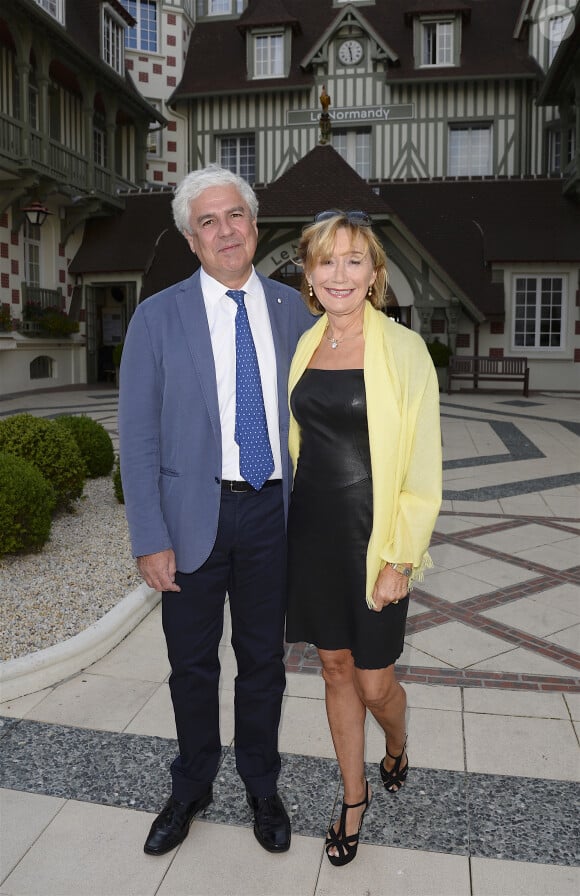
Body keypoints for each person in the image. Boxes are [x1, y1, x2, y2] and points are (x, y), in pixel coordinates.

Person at [118, 164, 314, 857]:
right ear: (190, 239)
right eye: (209, 221)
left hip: (271, 516)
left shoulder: (296, 313)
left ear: (254, 225)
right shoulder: (157, 316)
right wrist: (150, 536)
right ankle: (191, 785)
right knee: (192, 666)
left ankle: (262, 783)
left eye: (235, 215)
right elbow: (137, 438)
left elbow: (317, 423)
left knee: (264, 660)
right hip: (192, 517)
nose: (225, 230)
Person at [285, 209, 442, 867]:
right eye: (327, 261)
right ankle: (354, 797)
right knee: (333, 667)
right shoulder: (306, 343)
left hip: (375, 539)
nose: (340, 273)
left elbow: (422, 466)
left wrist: (400, 557)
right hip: (314, 534)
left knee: (376, 684)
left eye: (355, 260)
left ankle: (397, 742)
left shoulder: (404, 350)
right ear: (310, 276)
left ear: (375, 274)